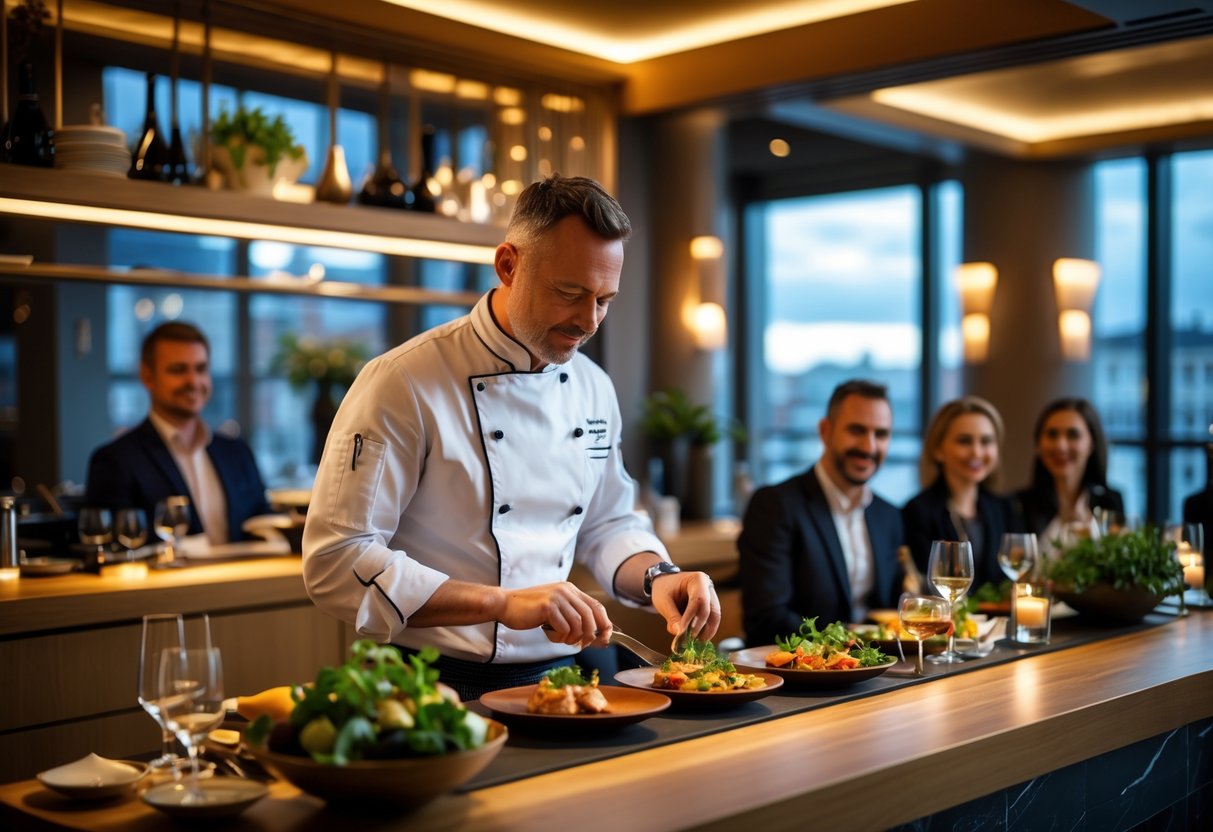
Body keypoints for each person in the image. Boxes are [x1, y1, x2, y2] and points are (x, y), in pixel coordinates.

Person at [302, 174, 719, 700]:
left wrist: (661, 576)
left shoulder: (592, 386)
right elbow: (336, 560)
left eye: (604, 299)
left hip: (563, 681)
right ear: (508, 265)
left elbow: (607, 523)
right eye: (570, 293)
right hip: (427, 685)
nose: (589, 320)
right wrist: (502, 603)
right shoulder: (402, 381)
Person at [738, 379, 904, 646]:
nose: (869, 447)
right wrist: (847, 641)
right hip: (802, 678)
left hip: (883, 672)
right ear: (825, 431)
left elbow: (893, 609)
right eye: (856, 430)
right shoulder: (774, 505)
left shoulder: (889, 516)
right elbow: (765, 619)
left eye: (881, 434)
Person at [85, 321, 271, 544]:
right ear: (147, 376)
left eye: (201, 369)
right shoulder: (115, 461)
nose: (193, 381)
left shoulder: (237, 452)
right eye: (178, 370)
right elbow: (116, 550)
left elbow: (265, 522)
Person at [902, 396, 1021, 591]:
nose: (977, 451)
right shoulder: (918, 512)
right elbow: (925, 586)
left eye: (986, 441)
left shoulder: (1005, 508)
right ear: (938, 449)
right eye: (964, 441)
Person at [1016, 397, 1124, 549]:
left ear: (1092, 443)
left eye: (1073, 435)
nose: (1061, 446)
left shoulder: (1110, 501)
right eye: (1052, 434)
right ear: (1038, 443)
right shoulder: (1018, 504)